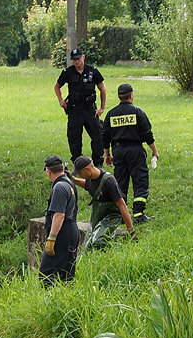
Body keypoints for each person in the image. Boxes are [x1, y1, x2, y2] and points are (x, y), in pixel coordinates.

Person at [102, 83, 159, 224]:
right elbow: (147, 134)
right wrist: (154, 150)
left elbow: (105, 136)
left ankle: (122, 215)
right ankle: (138, 214)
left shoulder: (111, 114)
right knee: (140, 180)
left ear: (119, 96)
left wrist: (107, 154)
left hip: (118, 151)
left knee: (120, 182)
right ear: (131, 95)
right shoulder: (137, 112)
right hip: (135, 150)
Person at [69, 156, 136, 251]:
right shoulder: (90, 178)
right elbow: (86, 185)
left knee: (98, 240)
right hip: (97, 214)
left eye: (80, 173)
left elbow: (122, 205)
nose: (79, 175)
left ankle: (110, 254)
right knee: (87, 245)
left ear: (87, 169)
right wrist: (72, 178)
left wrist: (131, 230)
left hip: (111, 215)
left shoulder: (109, 181)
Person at [54, 48, 108, 166]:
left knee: (98, 135)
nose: (76, 61)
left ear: (83, 57)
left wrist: (102, 108)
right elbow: (57, 86)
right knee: (74, 137)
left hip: (90, 109)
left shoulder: (92, 71)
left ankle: (98, 162)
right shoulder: (68, 72)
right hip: (74, 109)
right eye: (74, 60)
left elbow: (102, 89)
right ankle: (78, 163)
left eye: (78, 58)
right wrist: (61, 100)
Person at [39, 155, 79, 286]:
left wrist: (51, 238)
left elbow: (59, 215)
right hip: (71, 230)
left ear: (48, 171)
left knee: (47, 273)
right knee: (66, 274)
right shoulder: (69, 183)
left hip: (62, 232)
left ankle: (49, 303)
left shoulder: (59, 187)